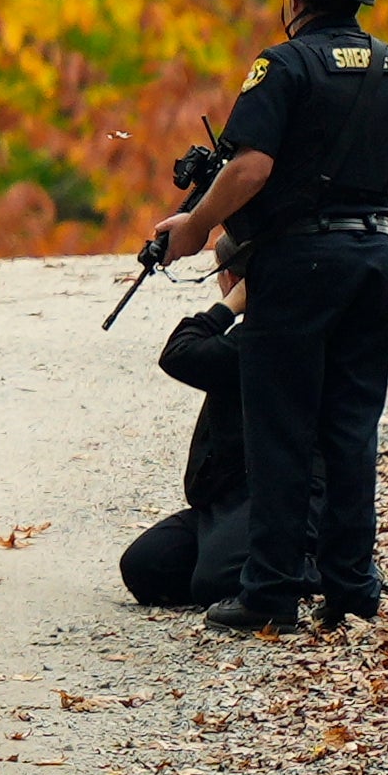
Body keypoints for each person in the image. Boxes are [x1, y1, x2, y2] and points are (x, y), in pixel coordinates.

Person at [154, 0, 388, 633]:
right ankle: (352, 587)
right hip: (373, 257)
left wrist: (194, 228)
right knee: (352, 427)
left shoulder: (284, 65)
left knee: (282, 428)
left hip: (301, 264)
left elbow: (251, 168)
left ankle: (268, 593)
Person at [120, 238, 254, 607]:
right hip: (223, 500)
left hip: (268, 496)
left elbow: (180, 353)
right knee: (145, 567)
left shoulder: (264, 339)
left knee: (217, 582)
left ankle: (309, 566)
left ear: (229, 279)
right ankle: (227, 553)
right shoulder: (254, 334)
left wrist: (226, 307)